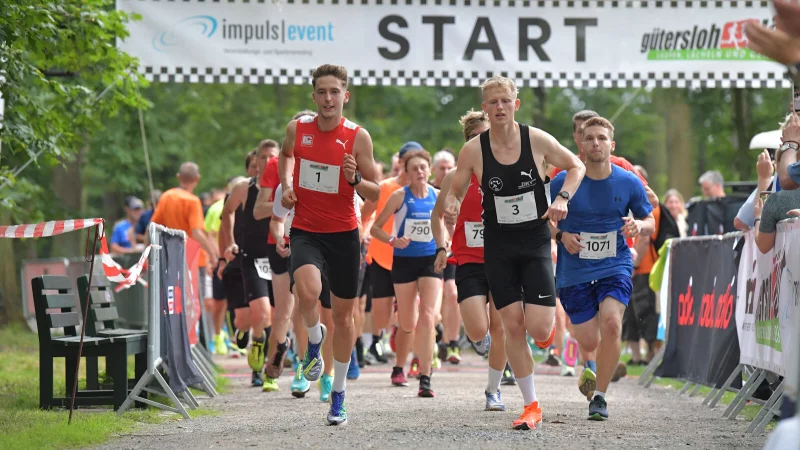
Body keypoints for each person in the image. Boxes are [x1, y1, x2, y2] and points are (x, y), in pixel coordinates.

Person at [444, 76, 585, 430]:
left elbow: (575, 166)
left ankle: (547, 330)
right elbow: (456, 190)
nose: (499, 107)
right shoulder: (474, 150)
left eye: (505, 101)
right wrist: (450, 204)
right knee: (511, 326)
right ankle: (531, 405)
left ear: (515, 104)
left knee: (538, 328)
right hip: (498, 244)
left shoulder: (535, 139)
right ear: (485, 108)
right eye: (492, 102)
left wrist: (562, 198)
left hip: (535, 240)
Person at [278, 64, 380, 426]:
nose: (328, 98)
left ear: (345, 96)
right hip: (306, 229)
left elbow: (376, 191)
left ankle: (338, 395)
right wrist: (287, 184)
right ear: (313, 96)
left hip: (343, 234)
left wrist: (354, 179)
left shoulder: (357, 137)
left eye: (334, 92)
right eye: (321, 92)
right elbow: (286, 155)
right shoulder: (298, 128)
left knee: (344, 317)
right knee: (307, 291)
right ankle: (314, 339)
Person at [550, 116, 655, 421]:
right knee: (589, 340)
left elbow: (649, 219)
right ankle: (591, 363)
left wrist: (639, 225)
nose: (596, 143)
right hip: (574, 270)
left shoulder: (628, 180)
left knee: (611, 325)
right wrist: (561, 235)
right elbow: (542, 221)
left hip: (615, 264)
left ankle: (600, 397)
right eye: (590, 138)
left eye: (601, 138)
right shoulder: (563, 181)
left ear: (612, 144)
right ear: (580, 145)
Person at [431, 108, 509, 411]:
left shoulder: (508, 169)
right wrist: (441, 246)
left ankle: (493, 390)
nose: (481, 142)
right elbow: (437, 216)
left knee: (501, 327)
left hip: (504, 258)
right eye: (474, 138)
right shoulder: (455, 176)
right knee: (478, 329)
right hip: (469, 259)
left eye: (485, 136)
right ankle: (480, 341)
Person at [270, 181, 363, 401]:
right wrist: (278, 238)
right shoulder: (288, 184)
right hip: (302, 245)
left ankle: (328, 375)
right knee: (303, 300)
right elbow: (277, 219)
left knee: (334, 317)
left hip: (335, 249)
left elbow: (357, 217)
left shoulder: (341, 179)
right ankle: (304, 365)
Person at [255, 110, 318, 396]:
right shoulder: (274, 165)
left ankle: (307, 366)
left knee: (308, 307)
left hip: (317, 241)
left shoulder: (325, 160)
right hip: (280, 240)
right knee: (285, 309)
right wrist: (286, 199)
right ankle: (273, 365)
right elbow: (260, 209)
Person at [371, 149, 442, 396]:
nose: (420, 172)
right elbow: (375, 228)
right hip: (403, 261)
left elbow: (449, 224)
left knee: (428, 315)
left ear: (429, 169)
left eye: (423, 167)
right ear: (407, 173)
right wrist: (393, 239)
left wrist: (447, 244)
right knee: (407, 320)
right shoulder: (400, 196)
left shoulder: (438, 196)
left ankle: (425, 376)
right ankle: (399, 366)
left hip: (430, 260)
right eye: (414, 168)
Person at [220, 141, 278, 390]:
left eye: (271, 158)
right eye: (262, 158)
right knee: (258, 315)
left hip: (278, 257)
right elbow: (227, 212)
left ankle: (267, 368)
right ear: (256, 163)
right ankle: (257, 361)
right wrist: (229, 243)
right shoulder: (244, 188)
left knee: (272, 318)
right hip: (251, 258)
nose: (266, 163)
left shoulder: (285, 188)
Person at [361, 143, 418, 367]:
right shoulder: (383, 188)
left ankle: (411, 353)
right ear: (402, 164)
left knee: (413, 311)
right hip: (382, 257)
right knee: (381, 315)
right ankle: (385, 332)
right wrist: (363, 233)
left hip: (414, 259)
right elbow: (365, 216)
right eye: (410, 163)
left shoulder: (427, 191)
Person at [430, 149, 461, 364]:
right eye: (442, 168)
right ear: (433, 169)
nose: (447, 171)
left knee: (452, 293)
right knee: (433, 304)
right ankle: (433, 339)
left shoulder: (459, 188)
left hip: (452, 251)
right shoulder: (427, 189)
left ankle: (452, 343)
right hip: (428, 252)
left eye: (450, 167)